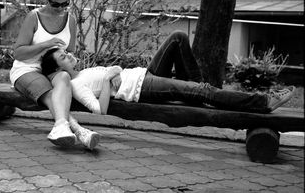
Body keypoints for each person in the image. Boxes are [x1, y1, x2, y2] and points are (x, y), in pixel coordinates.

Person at [41, 31, 295, 115]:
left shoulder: (82, 72)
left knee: (178, 38)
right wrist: (108, 77)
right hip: (141, 89)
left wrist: (114, 70)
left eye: (67, 53)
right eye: (64, 57)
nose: (70, 56)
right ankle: (262, 102)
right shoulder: (75, 85)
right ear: (56, 70)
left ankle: (198, 92)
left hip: (143, 75)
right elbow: (100, 111)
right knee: (201, 90)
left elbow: (114, 72)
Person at [9, 0, 100, 150]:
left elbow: (70, 50)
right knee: (50, 92)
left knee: (64, 76)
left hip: (53, 69)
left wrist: (72, 60)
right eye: (56, 4)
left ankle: (61, 128)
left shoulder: (70, 20)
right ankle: (78, 130)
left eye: (64, 4)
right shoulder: (34, 17)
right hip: (27, 69)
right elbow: (18, 52)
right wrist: (46, 44)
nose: (60, 9)